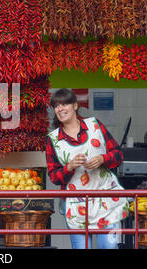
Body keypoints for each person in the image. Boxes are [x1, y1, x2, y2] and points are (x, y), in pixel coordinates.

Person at [45, 88, 129, 249]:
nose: (60, 109)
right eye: (56, 106)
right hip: (76, 203)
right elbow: (54, 177)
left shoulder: (95, 126)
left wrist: (102, 159)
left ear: (75, 106)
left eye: (64, 104)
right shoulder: (53, 140)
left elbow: (118, 155)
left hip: (105, 199)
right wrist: (69, 167)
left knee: (109, 247)